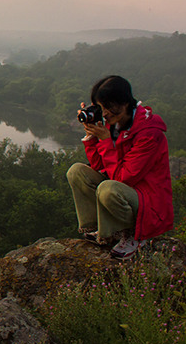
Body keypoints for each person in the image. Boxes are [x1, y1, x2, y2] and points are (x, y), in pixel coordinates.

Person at [66, 75, 173, 259]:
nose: (105, 113)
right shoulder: (113, 124)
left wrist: (106, 140)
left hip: (148, 202)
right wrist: (92, 137)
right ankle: (103, 230)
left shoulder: (148, 132)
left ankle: (135, 236)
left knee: (108, 189)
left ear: (125, 103)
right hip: (126, 191)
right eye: (102, 108)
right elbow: (99, 166)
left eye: (109, 107)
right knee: (77, 172)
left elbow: (124, 177)